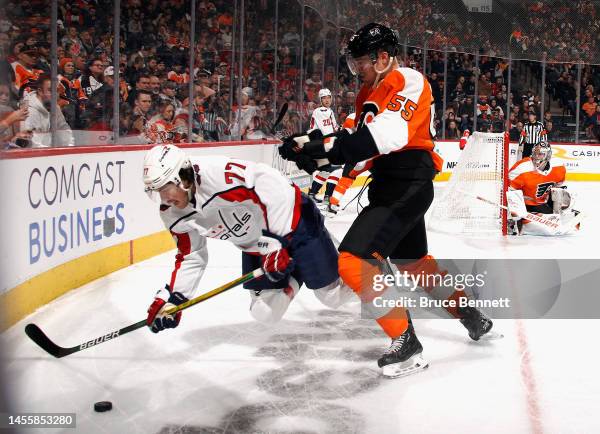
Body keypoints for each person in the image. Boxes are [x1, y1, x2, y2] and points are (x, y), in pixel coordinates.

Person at [278, 23, 496, 378]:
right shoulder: (369, 90)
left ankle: (406, 343)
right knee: (414, 264)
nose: (356, 68)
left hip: (408, 180)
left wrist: (324, 151)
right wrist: (306, 146)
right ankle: (474, 318)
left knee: (352, 261)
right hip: (391, 182)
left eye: (361, 61)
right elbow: (352, 141)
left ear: (383, 57)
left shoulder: (408, 79)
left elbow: (386, 136)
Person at [142, 145, 354, 333]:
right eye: (156, 191)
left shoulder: (217, 174)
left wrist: (277, 243)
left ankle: (370, 267)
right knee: (264, 312)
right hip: (259, 245)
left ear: (184, 177)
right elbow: (192, 255)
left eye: (165, 188)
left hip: (295, 222)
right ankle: (296, 270)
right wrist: (173, 299)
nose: (164, 198)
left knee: (332, 296)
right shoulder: (171, 213)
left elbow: (275, 184)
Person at [507, 140, 580, 236]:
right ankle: (516, 223)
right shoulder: (521, 168)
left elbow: (558, 187)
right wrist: (514, 213)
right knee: (518, 217)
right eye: (535, 153)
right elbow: (509, 192)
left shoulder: (558, 167)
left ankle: (557, 216)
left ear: (548, 156)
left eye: (540, 154)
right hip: (525, 206)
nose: (536, 157)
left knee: (562, 195)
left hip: (541, 204)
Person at [307, 88, 341, 209]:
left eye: (328, 97)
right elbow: (327, 131)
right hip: (322, 145)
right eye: (324, 98)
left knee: (326, 171)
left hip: (320, 145)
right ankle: (328, 197)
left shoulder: (328, 111)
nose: (327, 100)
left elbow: (334, 128)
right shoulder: (321, 111)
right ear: (320, 100)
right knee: (336, 170)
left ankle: (312, 193)